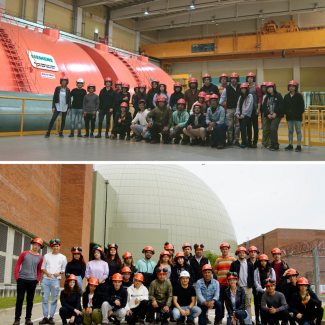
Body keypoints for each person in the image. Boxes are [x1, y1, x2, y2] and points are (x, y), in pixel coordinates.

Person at [13, 238, 44, 325]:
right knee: (20, 299)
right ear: (32, 244)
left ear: (40, 247)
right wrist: (17, 277)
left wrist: (37, 279)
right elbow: (18, 264)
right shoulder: (24, 253)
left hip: (32, 281)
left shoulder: (40, 257)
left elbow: (39, 270)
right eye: (35, 244)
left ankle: (28, 318)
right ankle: (17, 319)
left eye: (38, 245)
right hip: (21, 280)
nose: (36, 246)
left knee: (30, 300)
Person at [39, 239, 67, 325]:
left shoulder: (63, 257)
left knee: (54, 299)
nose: (55, 247)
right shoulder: (47, 256)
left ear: (59, 246)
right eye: (54, 246)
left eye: (57, 246)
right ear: (52, 247)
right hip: (46, 280)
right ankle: (45, 317)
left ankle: (51, 317)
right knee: (44, 299)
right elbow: (42, 267)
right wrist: (46, 272)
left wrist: (59, 273)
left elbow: (64, 269)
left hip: (55, 281)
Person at [229, 247, 254, 319]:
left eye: (243, 253)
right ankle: (238, 319)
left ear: (246, 254)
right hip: (237, 287)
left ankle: (248, 320)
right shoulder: (234, 264)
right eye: (240, 253)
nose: (242, 254)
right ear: (238, 254)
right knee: (237, 304)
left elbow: (252, 276)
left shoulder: (250, 264)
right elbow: (231, 276)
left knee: (248, 304)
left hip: (247, 287)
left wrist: (251, 285)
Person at [214, 242, 236, 324]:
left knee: (230, 302)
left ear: (228, 249)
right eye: (223, 249)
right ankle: (220, 318)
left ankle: (231, 317)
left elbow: (235, 272)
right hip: (220, 285)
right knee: (220, 302)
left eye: (226, 249)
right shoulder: (218, 260)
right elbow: (216, 271)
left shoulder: (233, 259)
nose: (224, 250)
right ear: (221, 250)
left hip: (230, 285)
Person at [219, 72, 241, 147]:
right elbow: (222, 97)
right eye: (232, 79)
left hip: (239, 110)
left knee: (238, 125)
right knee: (230, 125)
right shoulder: (227, 88)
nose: (233, 80)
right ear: (230, 80)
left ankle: (237, 140)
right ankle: (230, 140)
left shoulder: (241, 87)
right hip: (229, 109)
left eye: (235, 79)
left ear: (237, 79)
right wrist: (219, 105)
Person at [253, 254, 275, 325]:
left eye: (264, 261)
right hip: (259, 291)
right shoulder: (256, 270)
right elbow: (255, 281)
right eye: (261, 261)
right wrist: (261, 290)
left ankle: (270, 320)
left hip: (269, 290)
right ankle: (257, 320)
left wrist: (267, 289)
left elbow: (273, 279)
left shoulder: (271, 270)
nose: (263, 262)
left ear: (267, 261)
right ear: (259, 262)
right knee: (258, 306)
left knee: (270, 305)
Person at [284, 80, 305, 152]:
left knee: (298, 131)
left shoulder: (299, 96)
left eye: (293, 86)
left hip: (297, 117)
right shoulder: (286, 96)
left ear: (296, 87)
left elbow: (302, 107)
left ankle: (298, 145)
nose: (291, 88)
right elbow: (284, 107)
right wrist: (287, 112)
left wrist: (297, 114)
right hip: (289, 117)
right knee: (290, 131)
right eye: (290, 86)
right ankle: (290, 145)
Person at [262, 82, 284, 151]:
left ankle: (275, 144)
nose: (269, 89)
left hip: (276, 116)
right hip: (269, 116)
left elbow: (281, 105)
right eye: (268, 88)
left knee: (273, 128)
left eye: (270, 88)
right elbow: (264, 106)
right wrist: (268, 114)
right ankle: (272, 143)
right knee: (269, 129)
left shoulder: (278, 95)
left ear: (274, 88)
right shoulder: (267, 97)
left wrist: (275, 113)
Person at [235, 83, 253, 149]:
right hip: (241, 115)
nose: (243, 90)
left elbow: (248, 106)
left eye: (244, 88)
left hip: (247, 115)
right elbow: (238, 105)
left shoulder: (250, 96)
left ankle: (246, 143)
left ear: (247, 89)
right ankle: (244, 142)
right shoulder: (240, 96)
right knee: (242, 129)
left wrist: (243, 115)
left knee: (245, 128)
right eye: (242, 89)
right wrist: (237, 113)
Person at [246, 72, 262, 148]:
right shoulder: (245, 88)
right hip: (247, 110)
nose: (250, 79)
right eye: (249, 78)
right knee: (248, 127)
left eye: (251, 78)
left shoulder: (257, 88)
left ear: (253, 79)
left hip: (254, 109)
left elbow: (259, 98)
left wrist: (258, 108)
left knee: (255, 127)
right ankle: (249, 141)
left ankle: (255, 142)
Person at [248, 246, 259, 324]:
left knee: (257, 303)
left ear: (257, 253)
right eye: (251, 252)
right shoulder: (246, 262)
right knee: (248, 303)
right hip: (248, 285)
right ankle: (249, 319)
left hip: (257, 285)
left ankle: (257, 319)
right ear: (249, 253)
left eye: (254, 252)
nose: (253, 253)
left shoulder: (259, 262)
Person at [260, 82, 271, 148]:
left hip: (270, 113)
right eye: (262, 88)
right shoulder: (261, 96)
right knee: (265, 128)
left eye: (265, 87)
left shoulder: (270, 95)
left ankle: (269, 142)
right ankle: (264, 143)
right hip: (263, 113)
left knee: (270, 128)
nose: (263, 89)